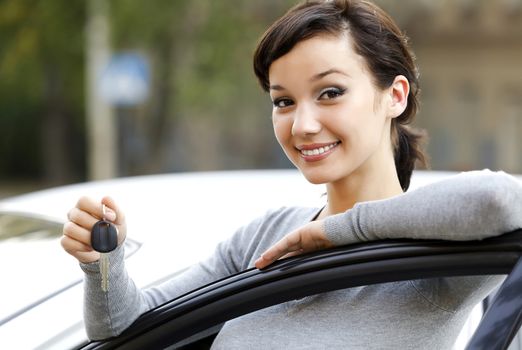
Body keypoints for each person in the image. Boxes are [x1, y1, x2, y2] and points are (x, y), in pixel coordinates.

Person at [61, 0, 522, 348]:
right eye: (283, 101)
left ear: (395, 96)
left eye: (330, 92)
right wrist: (103, 261)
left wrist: (337, 233)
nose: (302, 125)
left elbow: (501, 202)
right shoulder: (264, 235)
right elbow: (124, 328)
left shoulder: (438, 251)